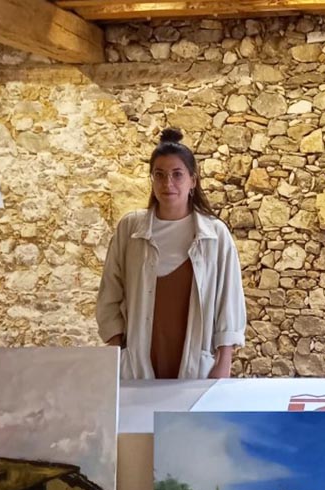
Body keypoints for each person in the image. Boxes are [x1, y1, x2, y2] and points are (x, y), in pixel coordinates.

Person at [96, 128, 246, 379]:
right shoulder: (130, 230)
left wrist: (224, 361)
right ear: (152, 179)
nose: (168, 183)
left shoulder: (214, 235)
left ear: (192, 181)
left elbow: (229, 299)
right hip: (138, 362)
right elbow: (110, 291)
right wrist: (117, 350)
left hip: (196, 363)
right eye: (160, 175)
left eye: (177, 175)